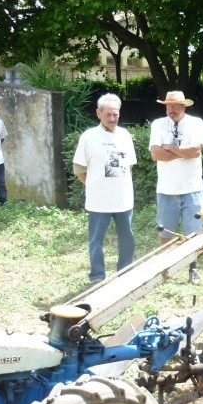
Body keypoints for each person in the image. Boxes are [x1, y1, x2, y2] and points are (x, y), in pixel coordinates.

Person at [73, 93, 137, 284]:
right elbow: (79, 169)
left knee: (127, 239)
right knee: (96, 240)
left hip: (123, 200)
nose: (112, 118)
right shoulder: (89, 137)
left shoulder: (125, 135)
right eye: (108, 114)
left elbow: (129, 166)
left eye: (115, 114)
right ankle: (97, 275)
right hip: (98, 201)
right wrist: (94, 186)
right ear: (98, 113)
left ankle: (125, 272)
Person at [149, 90, 203, 284]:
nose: (171, 109)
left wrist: (170, 148)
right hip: (166, 189)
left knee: (194, 232)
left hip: (192, 188)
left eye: (174, 106)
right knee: (165, 232)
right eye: (168, 105)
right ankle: (165, 269)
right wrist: (183, 152)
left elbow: (196, 151)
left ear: (183, 106)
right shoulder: (158, 124)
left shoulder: (196, 123)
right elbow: (156, 154)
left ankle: (193, 268)